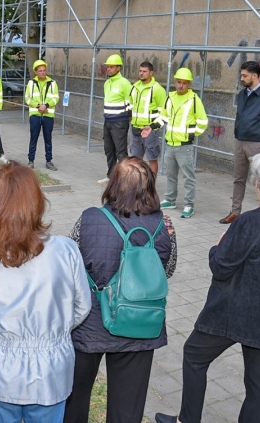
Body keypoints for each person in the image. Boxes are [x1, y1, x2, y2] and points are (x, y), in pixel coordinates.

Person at [155, 152, 260, 423]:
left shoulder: (249, 222)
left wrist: (219, 244)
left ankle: (187, 420)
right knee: (258, 380)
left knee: (194, 355)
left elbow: (221, 266)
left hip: (234, 311)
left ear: (257, 183)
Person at [0, 162, 91, 422]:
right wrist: (53, 333)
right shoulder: (66, 250)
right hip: (51, 372)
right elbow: (81, 307)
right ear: (36, 202)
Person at [65, 158, 176, 423]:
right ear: (149, 186)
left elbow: (71, 265)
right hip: (139, 324)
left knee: (73, 400)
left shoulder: (90, 218)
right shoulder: (165, 225)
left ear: (113, 184)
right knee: (127, 412)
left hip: (89, 324)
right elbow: (167, 269)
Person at [220, 61, 260, 225]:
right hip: (240, 141)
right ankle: (235, 212)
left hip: (258, 144)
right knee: (238, 178)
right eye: (241, 75)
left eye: (245, 75)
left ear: (255, 75)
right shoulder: (242, 94)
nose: (242, 78)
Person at [155, 68, 208, 219]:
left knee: (188, 177)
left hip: (184, 146)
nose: (180, 86)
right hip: (170, 144)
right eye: (178, 82)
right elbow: (164, 117)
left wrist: (190, 135)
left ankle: (189, 205)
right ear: (175, 82)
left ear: (189, 84)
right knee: (170, 174)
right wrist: (153, 126)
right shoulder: (170, 97)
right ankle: (170, 200)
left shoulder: (194, 100)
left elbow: (203, 122)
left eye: (184, 83)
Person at [99, 54, 132, 184]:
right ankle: (111, 175)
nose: (108, 69)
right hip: (108, 121)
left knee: (121, 151)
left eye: (111, 67)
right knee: (109, 150)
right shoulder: (107, 83)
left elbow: (130, 103)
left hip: (120, 122)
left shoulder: (124, 83)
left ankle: (126, 177)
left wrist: (126, 119)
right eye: (107, 67)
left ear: (118, 68)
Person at [129, 61, 166, 175]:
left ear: (151, 73)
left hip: (150, 130)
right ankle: (137, 183)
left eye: (144, 71)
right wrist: (132, 122)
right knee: (135, 159)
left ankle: (151, 186)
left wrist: (153, 126)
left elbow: (164, 113)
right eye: (140, 71)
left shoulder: (158, 89)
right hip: (135, 128)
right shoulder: (134, 87)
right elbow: (130, 106)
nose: (141, 73)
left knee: (152, 158)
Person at [25, 59, 59, 171]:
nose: (43, 72)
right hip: (35, 115)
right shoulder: (31, 83)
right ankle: (31, 161)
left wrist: (47, 105)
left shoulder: (53, 83)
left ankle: (49, 161)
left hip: (48, 115)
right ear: (36, 72)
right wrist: (39, 106)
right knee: (33, 138)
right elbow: (27, 98)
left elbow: (56, 97)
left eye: (44, 70)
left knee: (48, 139)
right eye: (40, 71)